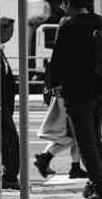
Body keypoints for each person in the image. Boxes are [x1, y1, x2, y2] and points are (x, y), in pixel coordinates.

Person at [49, 0, 102, 199]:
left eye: (63, 4)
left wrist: (54, 84)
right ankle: (94, 183)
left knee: (86, 142)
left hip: (77, 93)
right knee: (95, 137)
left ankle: (100, 187)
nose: (62, 8)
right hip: (101, 91)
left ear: (67, 2)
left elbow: (58, 61)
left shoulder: (68, 27)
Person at [34, 16, 87, 179]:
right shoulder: (69, 48)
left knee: (73, 134)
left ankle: (74, 166)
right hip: (68, 96)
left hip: (62, 96)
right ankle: (47, 157)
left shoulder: (60, 47)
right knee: (74, 134)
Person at [0, 16, 21, 190]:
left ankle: (8, 174)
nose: (12, 35)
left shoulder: (0, 51)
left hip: (4, 105)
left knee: (6, 140)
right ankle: (10, 176)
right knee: (13, 140)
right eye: (10, 31)